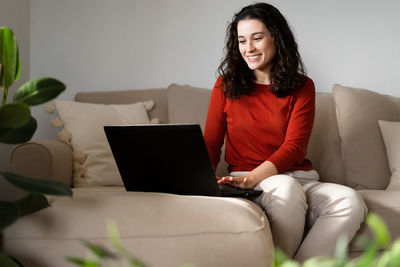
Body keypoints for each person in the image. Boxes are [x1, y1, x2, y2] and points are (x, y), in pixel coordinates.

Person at [204, 2, 367, 261]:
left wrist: (255, 176)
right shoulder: (224, 85)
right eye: (242, 40)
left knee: (351, 201)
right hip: (252, 183)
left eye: (257, 38)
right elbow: (211, 144)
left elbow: (294, 148)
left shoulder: (302, 86)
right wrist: (202, 183)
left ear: (276, 38)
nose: (248, 48)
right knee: (286, 187)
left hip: (298, 179)